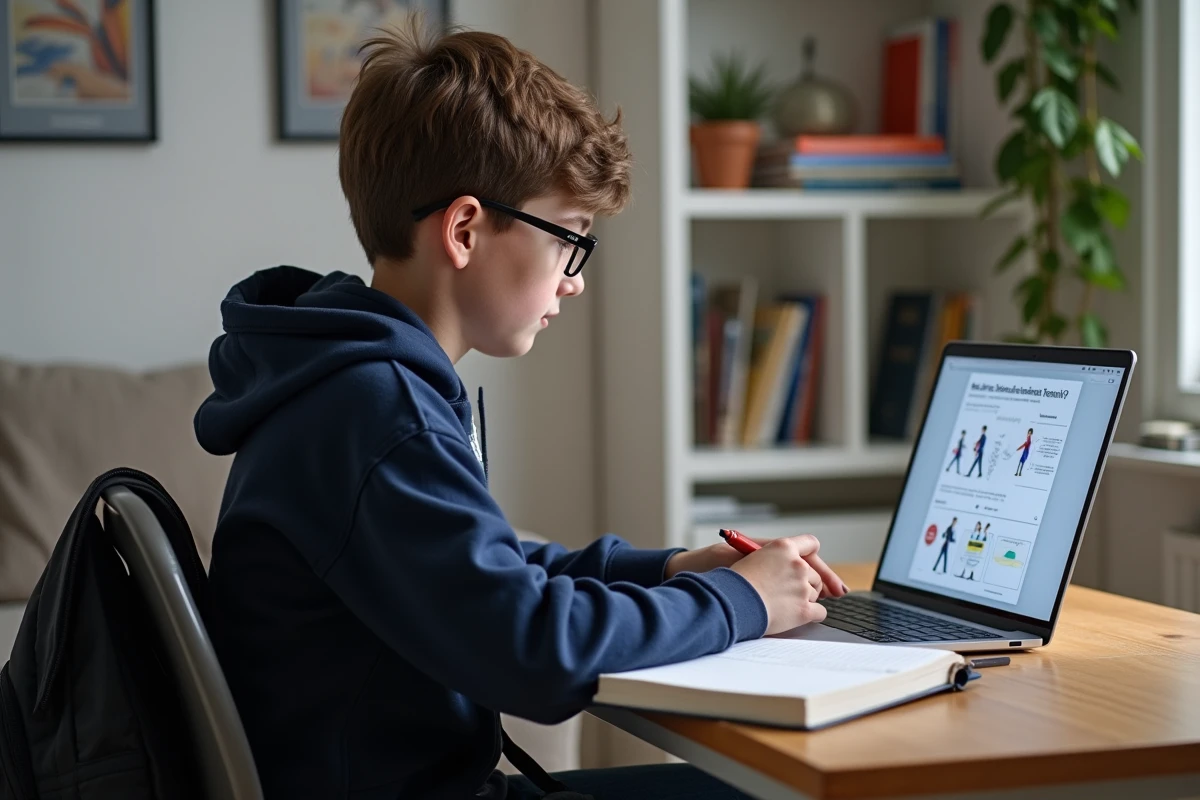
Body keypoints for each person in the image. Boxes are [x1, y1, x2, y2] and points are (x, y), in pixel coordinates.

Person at [193, 20, 847, 800]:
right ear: (465, 228)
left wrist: (670, 570)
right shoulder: (374, 413)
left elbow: (488, 574)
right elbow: (533, 652)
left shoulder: (357, 380)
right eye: (569, 236)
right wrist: (743, 600)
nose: (573, 279)